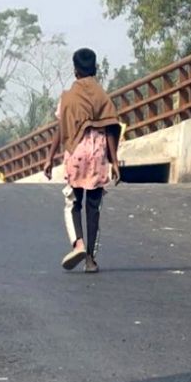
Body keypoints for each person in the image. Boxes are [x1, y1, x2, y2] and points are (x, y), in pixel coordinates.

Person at [42, 48, 122, 273]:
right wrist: (115, 162)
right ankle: (90, 260)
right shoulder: (102, 96)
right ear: (95, 68)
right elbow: (110, 129)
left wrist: (49, 158)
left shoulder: (67, 98)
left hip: (76, 152)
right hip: (98, 153)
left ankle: (78, 243)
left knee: (73, 201)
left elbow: (60, 129)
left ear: (75, 70)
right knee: (93, 206)